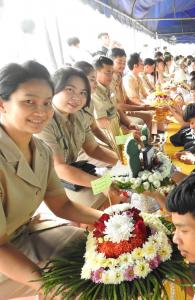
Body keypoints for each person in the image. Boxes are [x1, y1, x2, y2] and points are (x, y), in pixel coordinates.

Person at [0, 61, 103, 298]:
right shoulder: (43, 130)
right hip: (72, 187)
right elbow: (64, 171)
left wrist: (122, 168)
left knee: (100, 246)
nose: (76, 97)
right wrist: (107, 184)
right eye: (29, 101)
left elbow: (97, 150)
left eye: (84, 90)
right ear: (2, 104)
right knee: (78, 278)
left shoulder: (79, 119)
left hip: (30, 222)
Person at [35, 67, 124, 209]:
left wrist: (123, 162)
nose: (77, 97)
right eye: (70, 90)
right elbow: (59, 168)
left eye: (83, 92)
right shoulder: (44, 122)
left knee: (120, 189)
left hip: (72, 171)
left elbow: (93, 149)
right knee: (105, 201)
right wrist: (101, 184)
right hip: (48, 183)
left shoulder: (79, 115)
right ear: (53, 89)